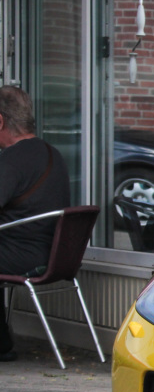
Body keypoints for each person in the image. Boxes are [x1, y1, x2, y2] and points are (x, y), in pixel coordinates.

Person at [0, 86, 70, 362]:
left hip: (21, 254)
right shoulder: (53, 154)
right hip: (52, 254)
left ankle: (2, 344)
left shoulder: (12, 160)